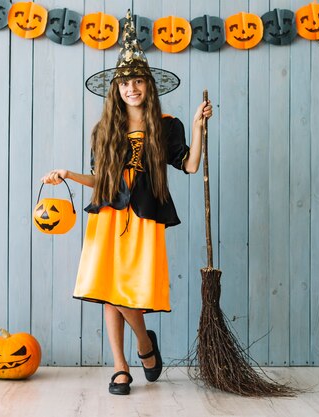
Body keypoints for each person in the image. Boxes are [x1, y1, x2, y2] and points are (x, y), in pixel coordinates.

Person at [42, 11, 212, 395]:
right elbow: (101, 181)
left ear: (148, 86)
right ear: (115, 89)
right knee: (107, 289)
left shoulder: (167, 125)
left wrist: (200, 129)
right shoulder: (105, 130)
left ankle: (145, 344)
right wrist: (68, 174)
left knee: (125, 290)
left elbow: (189, 164)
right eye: (124, 83)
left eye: (137, 81)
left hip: (145, 217)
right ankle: (122, 366)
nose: (131, 88)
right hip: (107, 216)